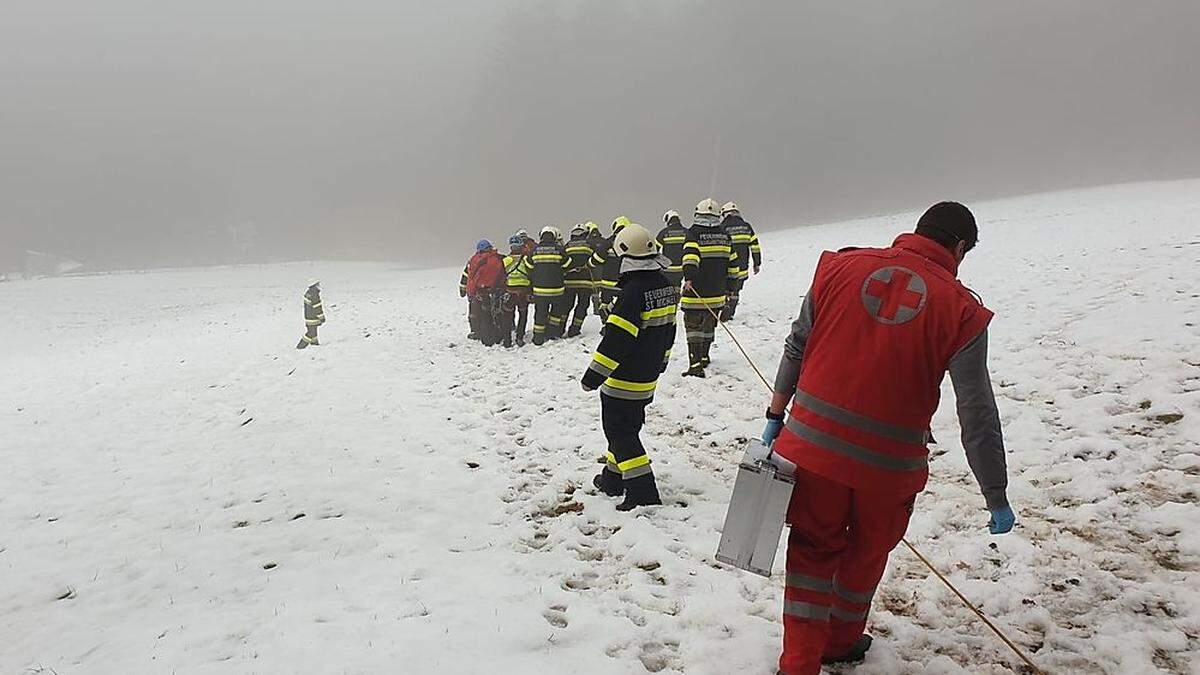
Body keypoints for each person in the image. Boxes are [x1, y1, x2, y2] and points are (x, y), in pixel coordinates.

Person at [760, 202, 1013, 675]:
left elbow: (797, 345)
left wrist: (776, 414)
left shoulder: (838, 268)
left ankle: (799, 664)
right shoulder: (962, 311)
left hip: (812, 453)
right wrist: (994, 492)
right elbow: (975, 407)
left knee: (813, 553)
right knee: (867, 553)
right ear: (959, 247)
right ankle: (840, 641)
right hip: (890, 471)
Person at [581, 223, 679, 511]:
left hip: (624, 378)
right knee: (626, 427)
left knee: (620, 432)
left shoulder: (633, 293)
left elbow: (616, 342)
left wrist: (592, 377)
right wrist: (661, 364)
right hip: (647, 376)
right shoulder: (665, 286)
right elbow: (669, 331)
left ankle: (642, 490)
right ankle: (613, 478)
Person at [680, 198, 738, 377]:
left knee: (693, 329)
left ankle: (695, 365)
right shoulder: (725, 236)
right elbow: (733, 265)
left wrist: (688, 278)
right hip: (718, 294)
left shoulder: (693, 234)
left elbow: (690, 258)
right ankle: (705, 356)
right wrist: (731, 287)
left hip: (696, 294)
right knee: (708, 327)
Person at [519, 226, 572, 345]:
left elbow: (528, 267)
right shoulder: (560, 249)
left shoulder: (534, 250)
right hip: (557, 290)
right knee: (555, 314)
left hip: (540, 290)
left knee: (540, 314)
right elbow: (568, 265)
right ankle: (552, 334)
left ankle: (538, 338)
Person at [719, 201, 762, 321]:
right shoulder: (747, 226)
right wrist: (757, 263)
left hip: (726, 268)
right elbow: (755, 246)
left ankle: (724, 307)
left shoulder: (723, 227)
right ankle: (731, 312)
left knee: (725, 289)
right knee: (736, 290)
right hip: (742, 267)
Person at [463, 239, 507, 346]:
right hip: (496, 291)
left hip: (478, 292)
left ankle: (479, 333)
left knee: (478, 314)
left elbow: (469, 276)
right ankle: (500, 333)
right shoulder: (499, 258)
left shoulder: (474, 259)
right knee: (496, 313)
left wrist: (468, 292)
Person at [590, 216, 631, 321]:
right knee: (624, 306)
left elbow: (596, 260)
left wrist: (590, 263)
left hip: (607, 284)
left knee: (605, 305)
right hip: (625, 284)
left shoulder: (608, 243)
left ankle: (605, 325)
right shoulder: (632, 242)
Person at [563, 224, 596, 337]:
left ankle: (560, 328)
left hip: (568, 282)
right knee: (582, 306)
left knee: (566, 306)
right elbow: (596, 260)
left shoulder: (566, 246)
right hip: (585, 283)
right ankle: (574, 329)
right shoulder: (589, 245)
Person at [501, 234, 532, 347]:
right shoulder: (526, 259)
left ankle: (507, 340)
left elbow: (501, 275)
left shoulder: (506, 260)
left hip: (510, 292)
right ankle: (519, 337)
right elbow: (531, 273)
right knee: (523, 315)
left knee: (507, 316)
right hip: (524, 292)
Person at [656, 210, 688, 288]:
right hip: (682, 269)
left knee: (668, 290)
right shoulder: (686, 232)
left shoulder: (663, 233)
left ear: (668, 220)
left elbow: (654, 250)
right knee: (678, 289)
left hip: (668, 270)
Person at [296, 278, 325, 349]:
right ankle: (301, 346)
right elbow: (317, 307)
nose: (319, 285)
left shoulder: (308, 292)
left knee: (313, 330)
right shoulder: (314, 294)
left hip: (308, 316)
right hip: (313, 317)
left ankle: (315, 344)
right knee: (311, 332)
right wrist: (321, 317)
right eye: (317, 284)